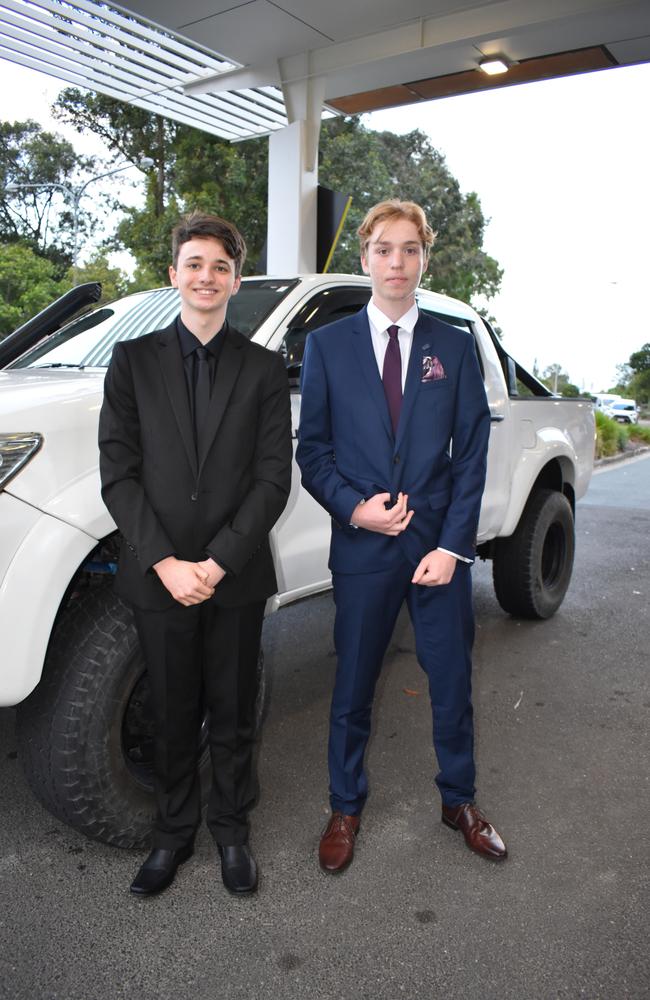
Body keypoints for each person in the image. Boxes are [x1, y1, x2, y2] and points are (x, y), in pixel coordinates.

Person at [296, 199, 507, 872]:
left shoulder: (453, 342)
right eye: (384, 248)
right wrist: (356, 511)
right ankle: (345, 806)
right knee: (353, 684)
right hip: (362, 548)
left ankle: (459, 800)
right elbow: (314, 452)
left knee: (450, 679)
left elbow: (471, 452)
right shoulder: (327, 346)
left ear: (423, 259)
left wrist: (452, 546)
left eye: (410, 249)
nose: (397, 261)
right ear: (365, 258)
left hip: (436, 545)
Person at [98, 211, 292, 896]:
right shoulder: (131, 362)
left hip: (232, 578)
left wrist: (216, 563)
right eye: (194, 263)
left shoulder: (265, 369)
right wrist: (166, 563)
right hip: (160, 577)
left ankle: (232, 833)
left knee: (234, 712)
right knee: (172, 712)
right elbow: (118, 473)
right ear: (173, 274)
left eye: (220, 266)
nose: (206, 276)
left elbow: (274, 477)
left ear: (236, 280)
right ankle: (172, 835)